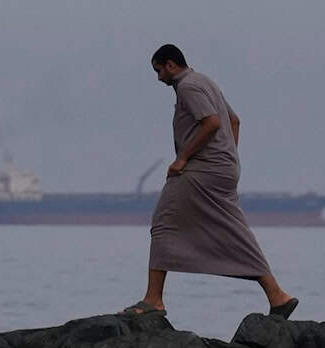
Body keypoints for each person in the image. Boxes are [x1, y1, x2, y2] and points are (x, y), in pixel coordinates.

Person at [121, 44, 298, 319]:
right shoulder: (205, 81)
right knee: (235, 230)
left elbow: (213, 122)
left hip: (201, 169)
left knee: (164, 221)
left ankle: (153, 299)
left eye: (158, 71)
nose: (158, 78)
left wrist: (183, 159)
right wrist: (228, 157)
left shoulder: (188, 87)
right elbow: (234, 121)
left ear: (170, 65)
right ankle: (278, 296)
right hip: (223, 169)